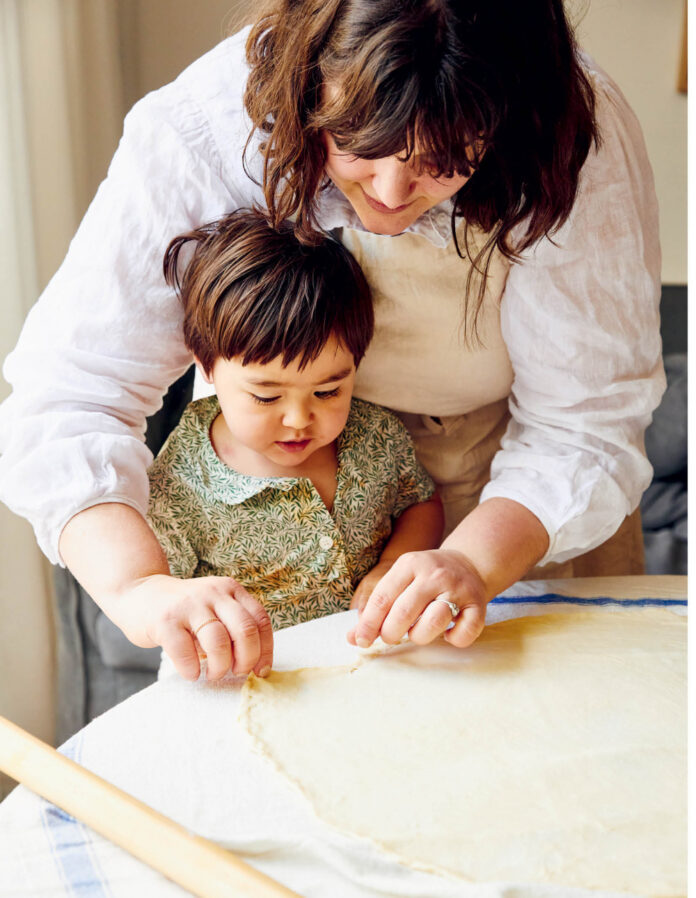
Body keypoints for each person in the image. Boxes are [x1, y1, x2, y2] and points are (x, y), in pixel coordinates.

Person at [0, 1, 663, 681]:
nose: (392, 192)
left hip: (512, 481)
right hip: (268, 475)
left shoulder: (565, 134)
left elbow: (584, 424)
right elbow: (72, 397)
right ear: (311, 85)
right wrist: (139, 589)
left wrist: (469, 561)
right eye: (360, 146)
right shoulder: (202, 129)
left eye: (444, 162)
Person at [146, 209, 443, 678]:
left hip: (376, 670)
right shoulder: (180, 479)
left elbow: (420, 505)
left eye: (328, 392)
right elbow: (159, 595)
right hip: (248, 681)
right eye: (266, 396)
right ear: (205, 366)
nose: (299, 420)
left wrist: (393, 565)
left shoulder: (375, 436)